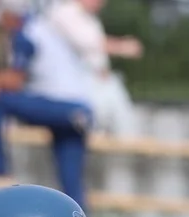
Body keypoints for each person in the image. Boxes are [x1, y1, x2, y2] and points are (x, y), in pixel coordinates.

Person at [0, 0, 95, 209]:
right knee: (73, 190)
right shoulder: (45, 28)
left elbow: (15, 81)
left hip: (60, 107)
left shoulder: (26, 34)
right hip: (81, 110)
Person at [45, 0, 142, 137]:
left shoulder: (91, 18)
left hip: (104, 82)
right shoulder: (64, 12)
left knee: (127, 132)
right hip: (81, 84)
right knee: (91, 134)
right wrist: (123, 46)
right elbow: (88, 42)